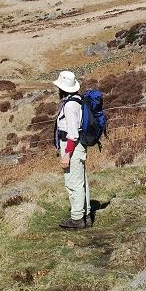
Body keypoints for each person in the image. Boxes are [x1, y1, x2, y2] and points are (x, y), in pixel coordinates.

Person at [53, 70, 90, 229]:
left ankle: (77, 219)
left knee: (73, 182)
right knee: (81, 181)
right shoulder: (77, 100)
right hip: (78, 145)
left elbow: (73, 133)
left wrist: (67, 154)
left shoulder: (69, 105)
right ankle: (85, 214)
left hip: (72, 146)